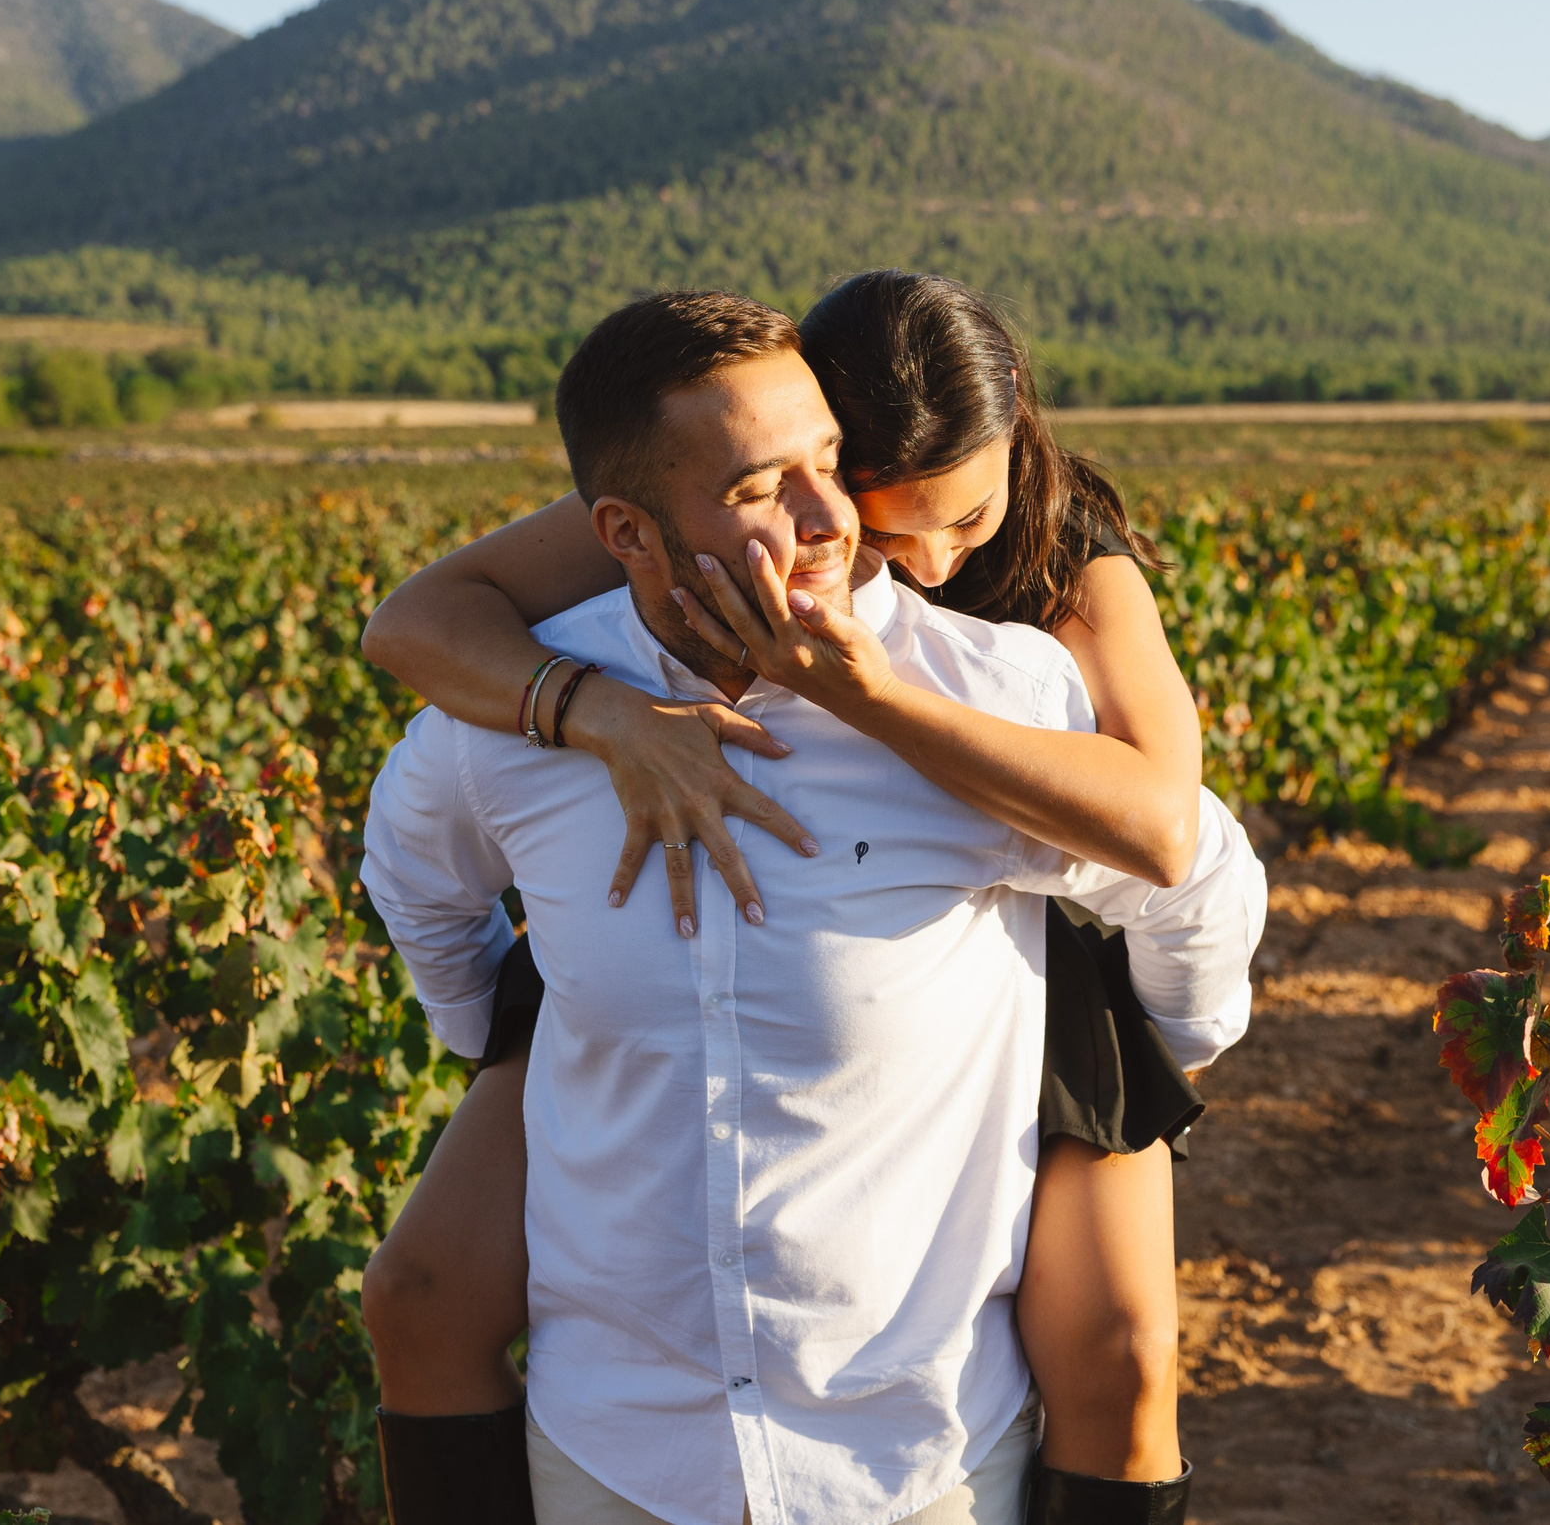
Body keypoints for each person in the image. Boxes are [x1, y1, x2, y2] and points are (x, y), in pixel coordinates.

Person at [359, 288, 1265, 1525]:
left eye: (833, 471)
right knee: (413, 1290)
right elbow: (413, 646)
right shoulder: (590, 607)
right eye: (771, 484)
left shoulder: (1057, 596)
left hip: (1054, 944)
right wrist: (600, 723)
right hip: (627, 1441)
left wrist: (1167, 1040)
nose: (894, 544)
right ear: (622, 531)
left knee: (1119, 1356)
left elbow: (1172, 838)